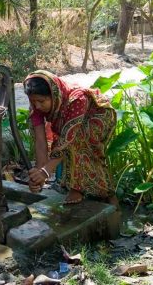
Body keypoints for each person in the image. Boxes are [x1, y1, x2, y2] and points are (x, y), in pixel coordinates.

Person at [24, 70, 118, 206]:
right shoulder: (36, 108)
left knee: (78, 143)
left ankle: (82, 189)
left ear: (54, 94)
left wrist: (45, 171)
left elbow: (68, 138)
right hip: (72, 129)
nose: (37, 105)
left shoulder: (77, 99)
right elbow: (40, 141)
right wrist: (38, 176)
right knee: (69, 144)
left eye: (41, 101)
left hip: (98, 116)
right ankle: (96, 192)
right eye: (33, 101)